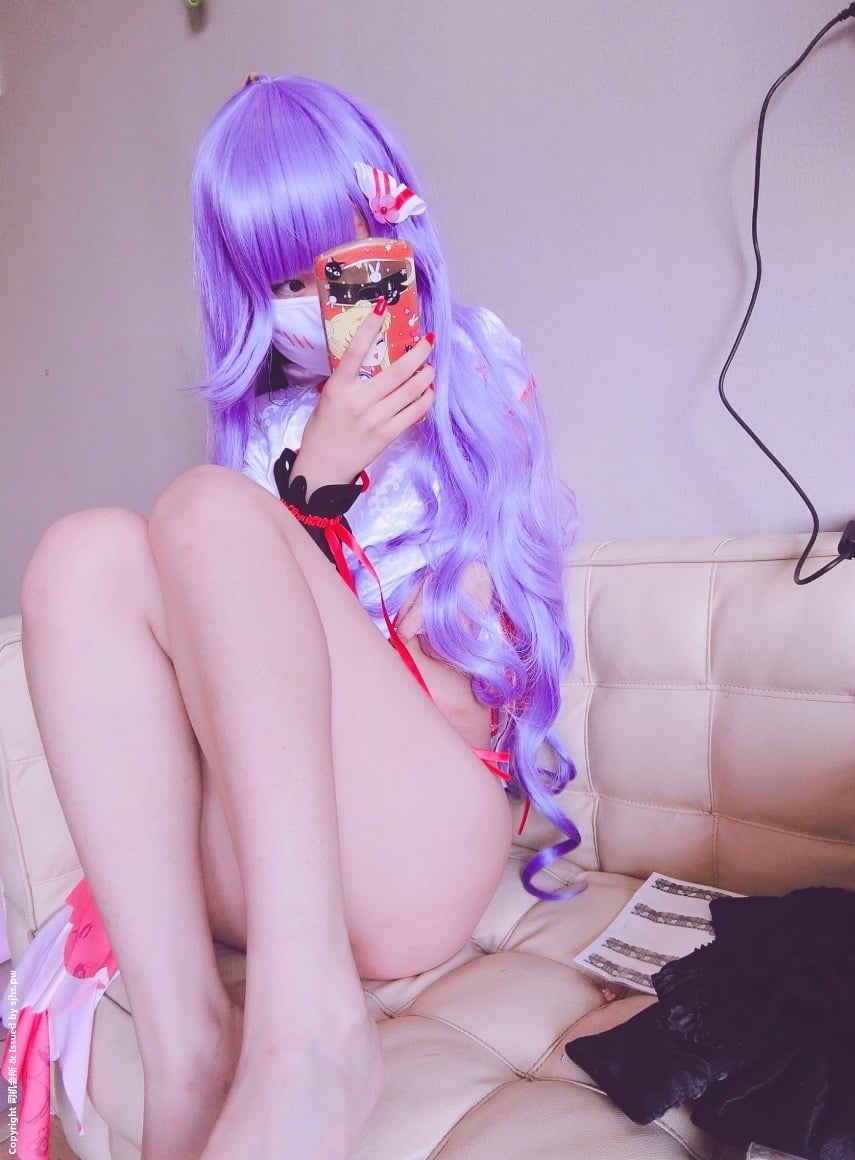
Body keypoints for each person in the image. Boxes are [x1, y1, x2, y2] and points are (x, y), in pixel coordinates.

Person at [17, 74, 578, 1160]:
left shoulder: (474, 378)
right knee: (77, 558)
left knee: (203, 508)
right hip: (279, 860)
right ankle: (189, 1056)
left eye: (340, 264)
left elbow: (472, 682)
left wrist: (324, 500)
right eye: (283, 279)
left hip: (423, 840)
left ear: (394, 243)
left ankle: (314, 1034)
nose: (320, 305)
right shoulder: (267, 435)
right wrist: (310, 481)